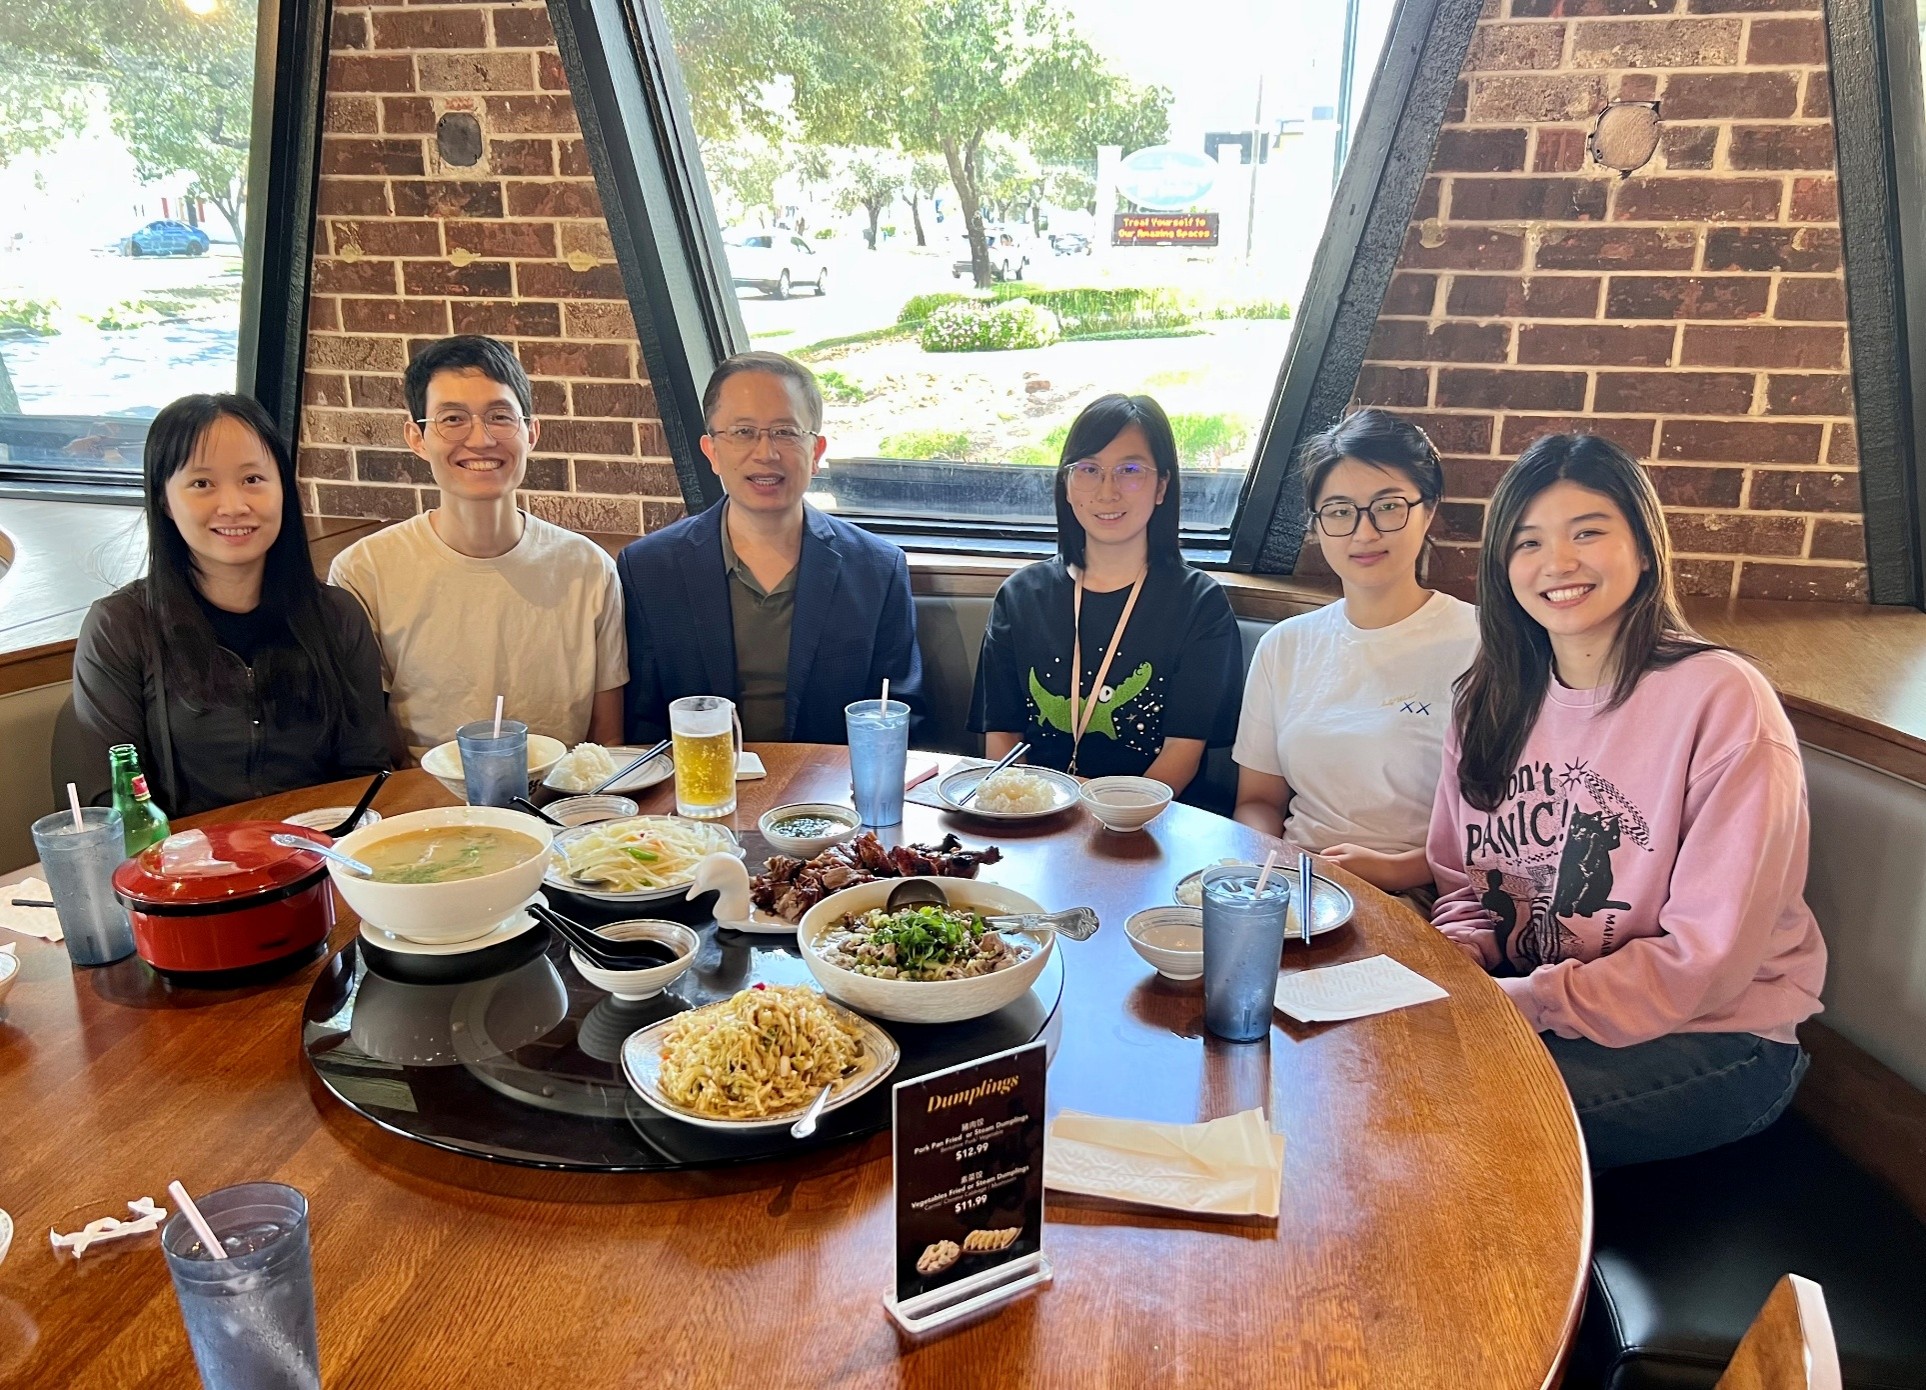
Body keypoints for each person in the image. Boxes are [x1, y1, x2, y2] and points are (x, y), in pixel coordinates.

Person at [1427, 433, 1826, 1169]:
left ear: (1644, 549)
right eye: (1528, 542)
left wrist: (1527, 1003)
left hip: (1716, 1040)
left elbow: (1707, 963)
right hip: (1539, 1003)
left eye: (1588, 532)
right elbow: (1465, 883)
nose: (1559, 564)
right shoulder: (1487, 699)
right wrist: (1455, 960)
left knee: (1452, 1130)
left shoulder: (1722, 700)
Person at [71, 394, 389, 815]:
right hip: (184, 869)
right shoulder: (121, 626)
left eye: (253, 479)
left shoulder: (336, 616)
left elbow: (365, 774)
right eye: (202, 484)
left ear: (282, 490)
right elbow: (113, 806)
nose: (234, 506)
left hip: (320, 859)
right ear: (165, 500)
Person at [328, 335, 627, 759]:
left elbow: (606, 743)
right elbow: (371, 747)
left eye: (500, 417)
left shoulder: (587, 569)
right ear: (417, 438)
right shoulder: (364, 572)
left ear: (531, 433)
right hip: (426, 813)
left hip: (561, 808)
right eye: (452, 419)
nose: (481, 440)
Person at [617, 350, 924, 743]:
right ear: (712, 451)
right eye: (743, 432)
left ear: (816, 452)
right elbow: (642, 726)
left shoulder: (877, 569)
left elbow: (903, 717)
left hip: (830, 797)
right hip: (701, 796)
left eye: (786, 432)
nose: (766, 453)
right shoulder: (649, 569)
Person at [1232, 409, 1477, 893]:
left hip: (1423, 899)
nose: (1364, 533)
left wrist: (1397, 870)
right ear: (1318, 525)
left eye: (1388, 507)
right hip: (1294, 884)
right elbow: (1258, 800)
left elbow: (1506, 829)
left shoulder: (1483, 645)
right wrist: (1267, 874)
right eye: (1340, 512)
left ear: (1427, 510)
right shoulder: (1284, 645)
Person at [969, 393, 1240, 795]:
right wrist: (1024, 813)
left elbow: (1182, 754)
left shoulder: (1200, 605)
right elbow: (1002, 741)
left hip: (1148, 822)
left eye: (1130, 469)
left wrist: (1106, 821)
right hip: (1037, 818)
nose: (1107, 491)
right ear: (1067, 483)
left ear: (1162, 485)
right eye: (1089, 469)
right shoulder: (1020, 597)